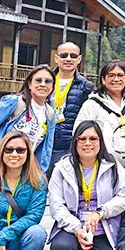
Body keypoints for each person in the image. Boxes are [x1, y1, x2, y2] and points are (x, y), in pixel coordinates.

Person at [47, 121, 125, 250]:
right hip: (71, 229)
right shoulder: (62, 168)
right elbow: (56, 205)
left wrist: (100, 213)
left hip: (103, 231)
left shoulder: (113, 166)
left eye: (93, 139)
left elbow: (124, 196)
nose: (87, 143)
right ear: (75, 141)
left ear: (100, 141)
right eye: (82, 139)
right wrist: (76, 228)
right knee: (61, 249)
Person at [0, 65, 58, 176]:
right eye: (38, 80)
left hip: (25, 175)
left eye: (48, 81)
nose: (43, 84)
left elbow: (47, 150)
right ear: (29, 84)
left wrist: (40, 175)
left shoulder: (49, 114)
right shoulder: (14, 103)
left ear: (52, 86)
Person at [75, 60, 125, 182]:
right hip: (102, 167)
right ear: (103, 79)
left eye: (120, 75)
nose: (116, 79)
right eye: (111, 75)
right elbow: (78, 132)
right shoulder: (92, 104)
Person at [49, 42, 95, 171]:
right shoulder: (45, 80)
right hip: (43, 142)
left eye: (73, 56)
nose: (68, 59)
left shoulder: (86, 86)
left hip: (69, 146)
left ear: (79, 59)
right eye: (64, 55)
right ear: (56, 58)